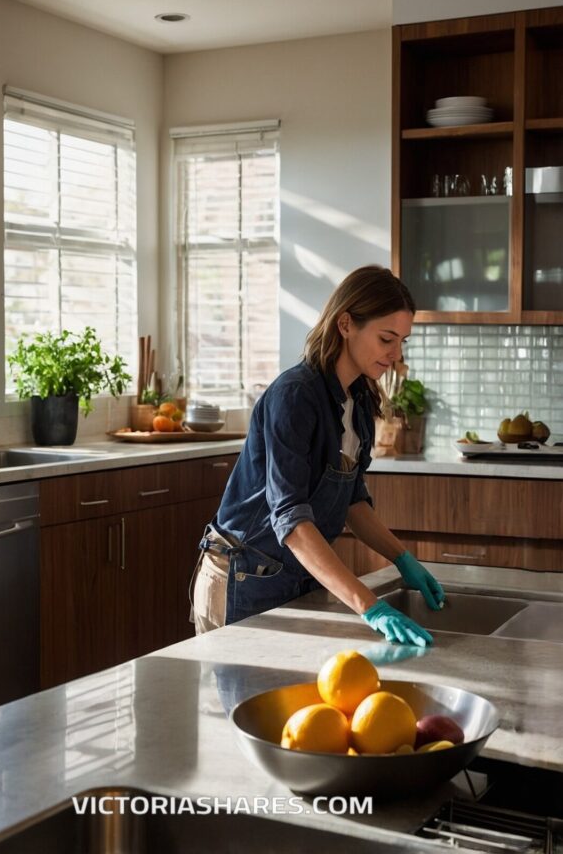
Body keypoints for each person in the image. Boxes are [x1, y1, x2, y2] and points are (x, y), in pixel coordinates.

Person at [190, 265, 444, 646]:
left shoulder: (359, 400)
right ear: (346, 325)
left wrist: (401, 558)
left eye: (402, 341)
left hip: (295, 577)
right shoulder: (295, 396)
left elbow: (352, 500)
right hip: (243, 578)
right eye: (387, 339)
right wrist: (369, 605)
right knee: (245, 705)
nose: (395, 355)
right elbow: (291, 520)